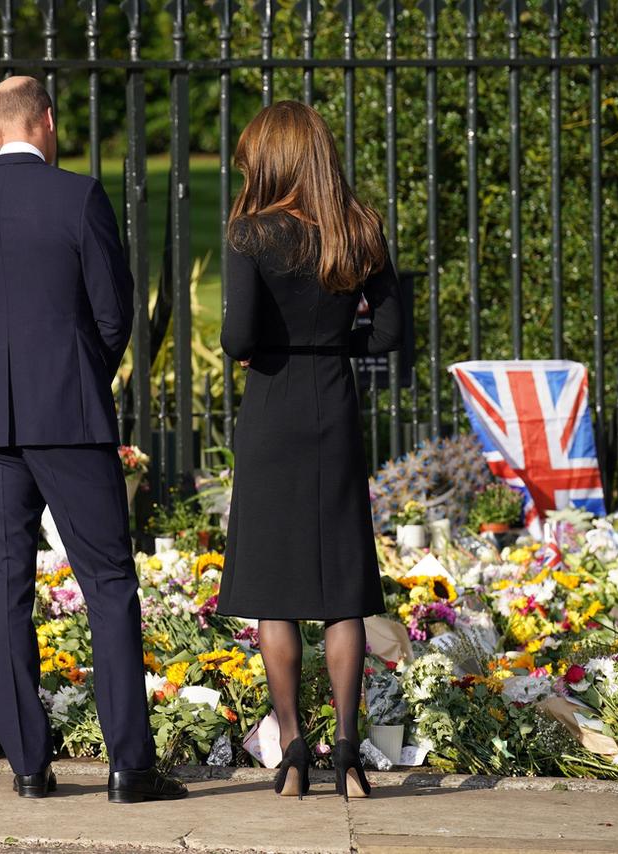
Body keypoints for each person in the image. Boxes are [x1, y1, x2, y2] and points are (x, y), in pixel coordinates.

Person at [0, 77, 186, 804]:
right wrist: (77, 373)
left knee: (7, 588)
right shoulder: (78, 196)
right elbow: (113, 312)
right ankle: (129, 766)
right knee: (106, 584)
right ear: (46, 121)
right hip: (69, 414)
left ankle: (29, 768)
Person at [216, 100, 402, 801]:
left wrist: (280, 345)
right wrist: (332, 344)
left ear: (270, 158)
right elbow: (385, 334)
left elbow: (237, 341)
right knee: (342, 590)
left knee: (276, 592)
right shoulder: (359, 227)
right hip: (334, 405)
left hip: (272, 408)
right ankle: (348, 755)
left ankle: (294, 750)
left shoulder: (250, 234)